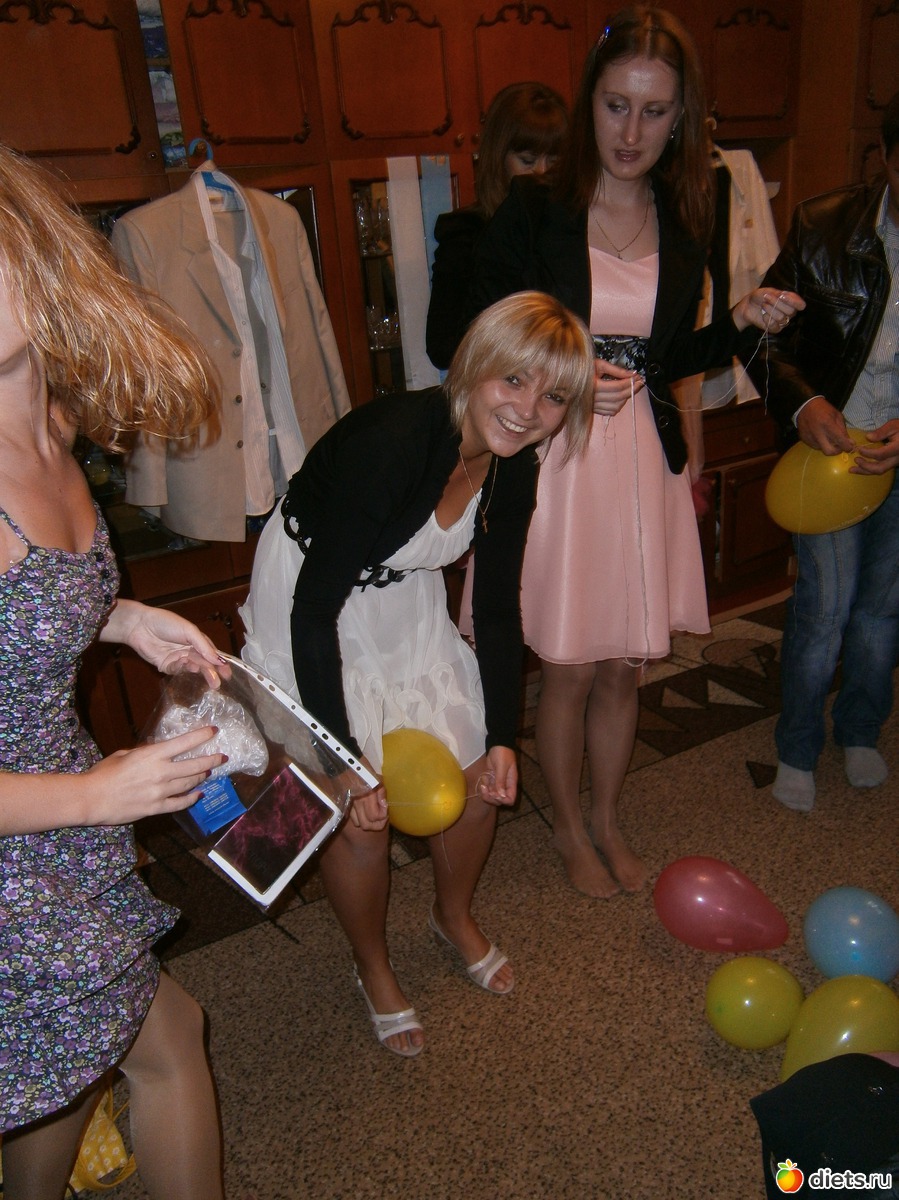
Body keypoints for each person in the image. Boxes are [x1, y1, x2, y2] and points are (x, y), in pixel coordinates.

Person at [468, 6, 804, 898]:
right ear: (590, 102)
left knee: (624, 666)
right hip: (558, 461)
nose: (630, 132)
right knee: (569, 666)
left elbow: (674, 355)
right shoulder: (536, 209)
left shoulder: (692, 208)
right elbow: (478, 335)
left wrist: (740, 321)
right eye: (615, 105)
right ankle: (566, 825)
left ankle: (608, 817)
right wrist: (565, 372)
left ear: (680, 117)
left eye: (653, 112)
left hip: (640, 461)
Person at [239, 291, 595, 1056]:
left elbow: (494, 609)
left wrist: (502, 738)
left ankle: (451, 915)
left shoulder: (513, 466)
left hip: (402, 596)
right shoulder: (394, 443)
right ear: (473, 367)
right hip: (312, 599)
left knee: (478, 785)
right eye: (513, 380)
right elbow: (313, 612)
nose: (527, 410)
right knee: (357, 818)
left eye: (554, 397)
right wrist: (341, 761)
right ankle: (371, 965)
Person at [0, 142, 230, 1200]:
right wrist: (95, 795)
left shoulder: (48, 422)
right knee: (149, 1045)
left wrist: (122, 618)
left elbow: (26, 607)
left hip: (61, 812)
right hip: (24, 836)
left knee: (81, 1066)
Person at [748, 90, 899, 813]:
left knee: (883, 609)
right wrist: (803, 404)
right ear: (885, 159)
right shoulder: (822, 226)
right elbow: (760, 336)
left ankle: (861, 728)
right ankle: (798, 744)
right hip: (828, 451)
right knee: (824, 608)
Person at [425, 81, 569, 370]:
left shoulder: (573, 229)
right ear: (497, 158)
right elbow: (443, 348)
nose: (541, 173)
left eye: (554, 161)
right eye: (527, 160)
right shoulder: (466, 233)